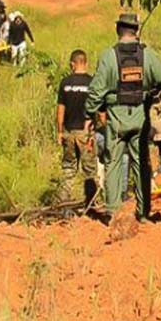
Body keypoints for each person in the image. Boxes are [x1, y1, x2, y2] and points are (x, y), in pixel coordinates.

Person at [85, 13, 161, 223]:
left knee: (112, 163)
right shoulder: (147, 55)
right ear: (136, 31)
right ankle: (143, 212)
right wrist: (151, 98)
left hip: (116, 118)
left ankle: (113, 212)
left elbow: (96, 91)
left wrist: (90, 112)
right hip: (140, 117)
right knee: (141, 163)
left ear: (118, 30)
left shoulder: (108, 56)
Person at [57, 50, 98, 207]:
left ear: (72, 64)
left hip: (68, 132)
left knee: (68, 170)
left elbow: (61, 109)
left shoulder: (65, 83)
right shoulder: (93, 82)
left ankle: (64, 205)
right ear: (85, 63)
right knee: (90, 171)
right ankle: (91, 204)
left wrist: (60, 131)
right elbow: (98, 109)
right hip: (86, 134)